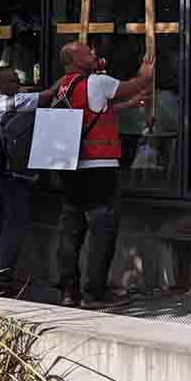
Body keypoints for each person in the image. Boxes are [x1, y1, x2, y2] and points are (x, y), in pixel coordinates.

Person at [55, 41, 154, 310]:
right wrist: (146, 71)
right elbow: (134, 84)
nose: (95, 55)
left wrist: (128, 106)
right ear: (76, 60)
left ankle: (68, 290)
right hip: (99, 167)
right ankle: (94, 293)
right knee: (102, 231)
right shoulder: (97, 82)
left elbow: (94, 111)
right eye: (89, 53)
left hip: (70, 167)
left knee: (71, 231)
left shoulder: (62, 85)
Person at [0, 68, 63, 290]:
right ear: (0, 84)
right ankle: (3, 279)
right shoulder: (11, 102)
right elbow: (48, 95)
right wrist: (69, 77)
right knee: (12, 229)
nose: (18, 84)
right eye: (14, 80)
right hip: (12, 180)